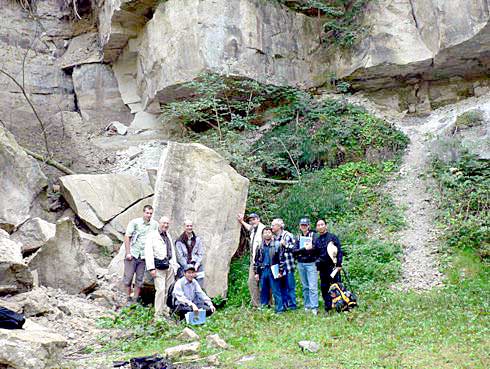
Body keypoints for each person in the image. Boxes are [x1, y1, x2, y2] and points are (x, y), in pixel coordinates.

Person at [145, 216, 179, 318]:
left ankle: (166, 310)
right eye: (163, 223)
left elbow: (171, 251)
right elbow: (148, 252)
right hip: (158, 267)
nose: (165, 225)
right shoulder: (152, 236)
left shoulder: (168, 235)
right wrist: (151, 268)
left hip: (169, 266)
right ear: (159, 223)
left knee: (169, 290)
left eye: (167, 223)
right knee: (160, 290)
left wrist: (174, 266)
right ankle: (158, 314)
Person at [123, 204, 158, 304]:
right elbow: (127, 236)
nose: (149, 215)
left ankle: (135, 299)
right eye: (147, 213)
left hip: (144, 256)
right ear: (143, 212)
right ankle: (128, 298)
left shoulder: (154, 224)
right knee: (128, 277)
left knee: (140, 279)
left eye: (150, 213)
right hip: (133, 253)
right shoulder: (135, 222)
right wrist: (128, 252)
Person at [314, 219, 343, 313]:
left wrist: (339, 265)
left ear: (325, 226)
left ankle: (340, 306)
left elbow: (339, 251)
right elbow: (316, 254)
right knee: (324, 288)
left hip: (333, 267)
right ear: (316, 228)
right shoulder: (317, 240)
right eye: (318, 225)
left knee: (336, 286)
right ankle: (328, 307)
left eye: (322, 224)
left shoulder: (332, 237)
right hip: (323, 268)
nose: (320, 226)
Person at [254, 227, 285, 313]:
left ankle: (279, 310)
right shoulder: (260, 246)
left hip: (273, 270)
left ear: (272, 234)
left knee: (276, 290)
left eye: (269, 232)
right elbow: (256, 260)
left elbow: (281, 259)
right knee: (263, 290)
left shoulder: (277, 244)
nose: (267, 234)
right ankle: (263, 308)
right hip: (263, 270)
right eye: (265, 233)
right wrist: (256, 273)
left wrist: (280, 271)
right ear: (262, 235)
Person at [237, 212, 265, 307]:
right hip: (253, 260)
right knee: (251, 281)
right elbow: (249, 227)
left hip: (263, 260)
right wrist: (241, 221)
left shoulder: (263, 229)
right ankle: (256, 304)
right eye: (250, 220)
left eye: (254, 219)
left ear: (258, 219)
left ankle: (268, 303)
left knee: (264, 282)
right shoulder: (254, 229)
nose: (252, 221)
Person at [293, 218, 319, 315]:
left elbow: (316, 248)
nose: (303, 227)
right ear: (300, 226)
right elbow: (294, 251)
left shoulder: (314, 236)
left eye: (305, 225)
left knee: (313, 286)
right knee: (305, 286)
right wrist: (304, 249)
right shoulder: (298, 237)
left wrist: (307, 249)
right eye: (302, 225)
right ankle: (307, 305)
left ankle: (314, 307)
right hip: (301, 263)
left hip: (311, 263)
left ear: (308, 226)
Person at [271, 218, 297, 310]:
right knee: (282, 286)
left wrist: (285, 244)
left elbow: (295, 248)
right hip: (279, 267)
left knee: (290, 286)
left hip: (288, 265)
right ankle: (285, 304)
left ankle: (293, 305)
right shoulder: (274, 238)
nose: (271, 227)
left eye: (273, 225)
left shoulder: (288, 235)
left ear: (279, 226)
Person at [175, 220, 205, 286]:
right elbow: (180, 257)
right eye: (187, 226)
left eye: (191, 226)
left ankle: (198, 293)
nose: (189, 227)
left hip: (196, 265)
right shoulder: (179, 241)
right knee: (185, 285)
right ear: (184, 227)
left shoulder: (197, 240)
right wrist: (189, 269)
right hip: (184, 266)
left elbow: (200, 254)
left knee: (200, 279)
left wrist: (196, 265)